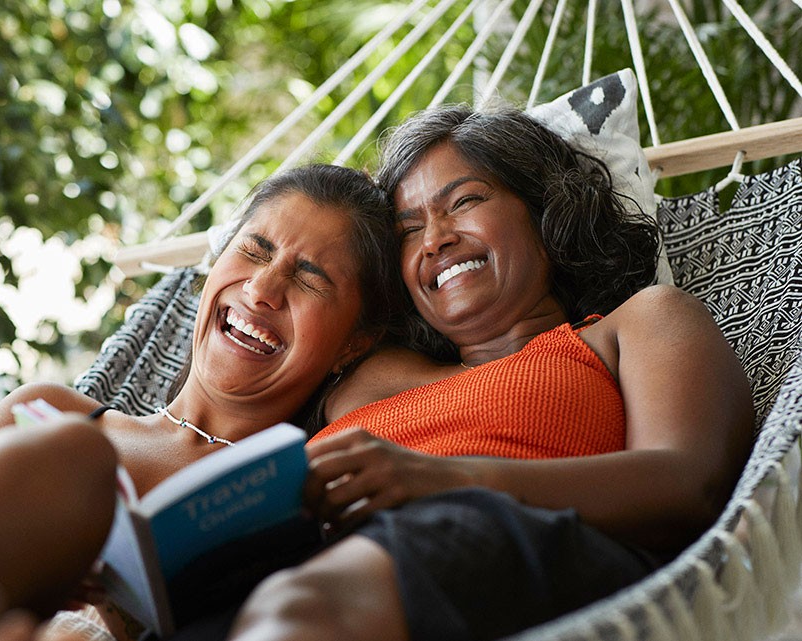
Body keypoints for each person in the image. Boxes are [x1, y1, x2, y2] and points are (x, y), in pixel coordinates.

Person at [0, 163, 406, 641]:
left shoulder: (295, 482)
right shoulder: (55, 410)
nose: (264, 287)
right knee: (68, 453)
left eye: (309, 276)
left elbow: (480, 371)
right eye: (253, 250)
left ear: (357, 344)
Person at [213, 105, 754, 641]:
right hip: (308, 573)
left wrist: (449, 479)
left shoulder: (636, 324)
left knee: (299, 610)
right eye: (408, 230)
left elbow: (688, 485)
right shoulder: (360, 376)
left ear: (547, 212)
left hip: (510, 553)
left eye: (465, 201)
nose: (435, 239)